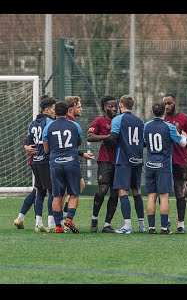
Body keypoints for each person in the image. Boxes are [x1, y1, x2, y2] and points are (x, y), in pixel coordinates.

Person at [143, 102, 187, 234]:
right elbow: (183, 144)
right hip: (163, 166)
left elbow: (144, 143)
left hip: (150, 164)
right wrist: (184, 135)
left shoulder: (146, 126)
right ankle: (164, 228)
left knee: (151, 195)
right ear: (164, 112)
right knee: (163, 196)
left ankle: (151, 228)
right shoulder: (169, 127)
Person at [42, 101, 86, 233]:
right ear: (68, 111)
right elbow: (78, 143)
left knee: (57, 195)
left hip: (56, 163)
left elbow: (46, 149)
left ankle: (59, 226)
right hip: (72, 162)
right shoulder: (75, 126)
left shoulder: (48, 128)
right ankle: (69, 219)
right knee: (74, 193)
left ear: (55, 112)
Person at [104, 95, 145, 234]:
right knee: (136, 191)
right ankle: (141, 225)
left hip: (124, 160)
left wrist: (106, 140)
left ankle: (127, 225)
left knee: (122, 190)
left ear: (121, 105)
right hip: (138, 160)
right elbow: (143, 142)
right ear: (132, 106)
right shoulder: (140, 121)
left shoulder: (118, 119)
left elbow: (113, 138)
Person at [162, 93, 187, 229]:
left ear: (175, 102)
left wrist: (180, 134)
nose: (166, 106)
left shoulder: (185, 119)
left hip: (180, 160)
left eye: (169, 103)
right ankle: (166, 220)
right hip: (163, 160)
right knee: (163, 191)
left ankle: (181, 223)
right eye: (164, 104)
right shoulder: (161, 119)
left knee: (178, 190)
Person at [86, 95, 119, 233]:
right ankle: (94, 218)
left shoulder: (120, 120)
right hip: (105, 160)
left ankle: (107, 224)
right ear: (104, 107)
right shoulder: (99, 121)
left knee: (115, 193)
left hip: (119, 161)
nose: (114, 109)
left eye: (115, 106)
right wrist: (108, 137)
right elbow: (90, 137)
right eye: (110, 106)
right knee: (102, 190)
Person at [26, 95, 57, 232]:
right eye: (53, 109)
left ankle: (38, 222)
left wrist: (28, 148)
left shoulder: (32, 123)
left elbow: (28, 142)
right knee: (51, 191)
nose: (55, 111)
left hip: (36, 162)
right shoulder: (50, 123)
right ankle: (51, 223)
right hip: (46, 160)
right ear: (47, 109)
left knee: (39, 191)